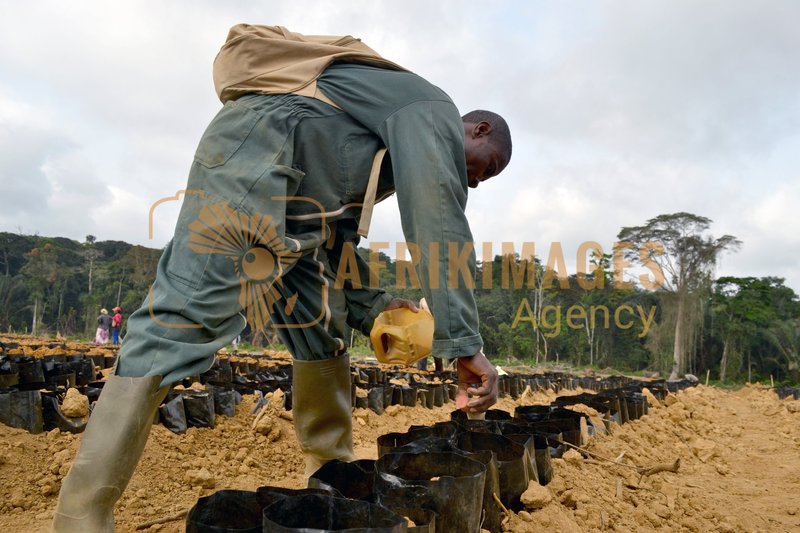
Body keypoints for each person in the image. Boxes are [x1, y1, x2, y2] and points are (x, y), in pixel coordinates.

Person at [52, 37, 511, 532]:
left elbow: (333, 240)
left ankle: (329, 487)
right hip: (258, 159)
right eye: (489, 166)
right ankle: (81, 517)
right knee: (179, 322)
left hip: (298, 209)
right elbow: (438, 218)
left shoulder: (372, 151)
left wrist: (378, 307)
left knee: (320, 331)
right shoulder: (431, 109)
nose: (478, 183)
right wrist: (465, 344)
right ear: (478, 128)